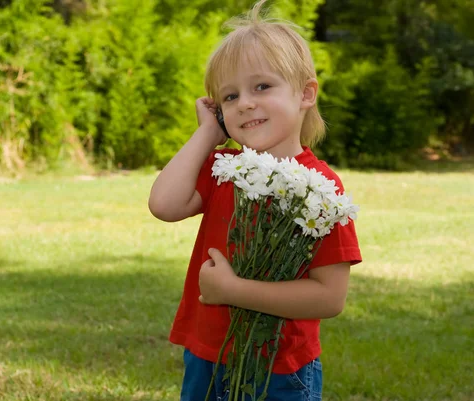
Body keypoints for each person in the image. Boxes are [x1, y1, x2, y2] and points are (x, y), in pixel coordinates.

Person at [148, 1, 362, 399]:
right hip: (208, 356)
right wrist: (206, 136)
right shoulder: (225, 169)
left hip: (280, 368)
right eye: (229, 97)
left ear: (306, 93)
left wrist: (234, 291)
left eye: (261, 86)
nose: (244, 102)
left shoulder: (320, 188)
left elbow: (330, 296)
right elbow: (164, 204)